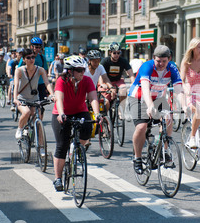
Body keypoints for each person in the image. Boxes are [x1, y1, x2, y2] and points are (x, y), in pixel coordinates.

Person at [127, 45, 185, 173]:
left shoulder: (172, 68)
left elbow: (179, 89)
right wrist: (150, 106)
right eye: (158, 61)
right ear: (154, 58)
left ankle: (165, 151)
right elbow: (146, 88)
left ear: (169, 59)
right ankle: (137, 158)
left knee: (168, 118)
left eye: (164, 61)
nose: (161, 64)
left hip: (158, 98)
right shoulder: (147, 66)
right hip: (139, 97)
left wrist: (185, 106)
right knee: (141, 127)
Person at [51, 55, 101, 191]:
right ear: (70, 71)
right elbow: (59, 99)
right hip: (62, 113)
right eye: (79, 70)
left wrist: (97, 113)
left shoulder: (87, 80)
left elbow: (93, 97)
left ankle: (77, 148)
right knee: (62, 145)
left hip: (80, 111)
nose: (82, 73)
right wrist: (61, 114)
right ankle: (58, 178)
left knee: (88, 128)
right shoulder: (61, 80)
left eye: (83, 70)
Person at [13, 48, 54, 140]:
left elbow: (47, 83)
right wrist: (15, 99)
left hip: (35, 98)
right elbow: (16, 85)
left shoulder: (40, 70)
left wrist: (52, 94)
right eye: (28, 58)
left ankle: (41, 148)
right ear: (23, 59)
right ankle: (19, 129)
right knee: (26, 112)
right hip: (22, 98)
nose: (31, 60)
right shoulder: (19, 70)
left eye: (33, 57)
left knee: (38, 120)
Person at [100, 42, 135, 112]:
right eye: (114, 53)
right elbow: (100, 73)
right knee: (105, 102)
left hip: (118, 81)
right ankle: (105, 118)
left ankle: (121, 110)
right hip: (106, 82)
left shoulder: (123, 61)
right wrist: (101, 84)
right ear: (110, 52)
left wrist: (133, 83)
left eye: (118, 53)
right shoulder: (105, 61)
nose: (116, 55)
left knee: (123, 91)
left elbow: (130, 73)